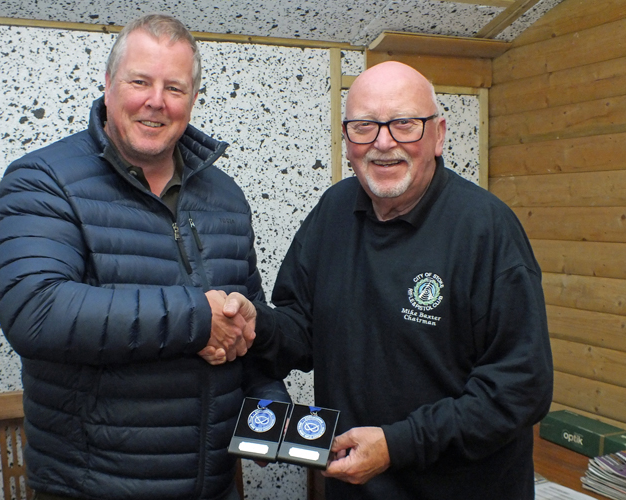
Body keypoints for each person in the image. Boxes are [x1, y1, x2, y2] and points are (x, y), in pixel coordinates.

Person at [215, 61, 554, 499]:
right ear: (347, 138)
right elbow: (302, 329)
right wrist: (254, 322)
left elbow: (521, 389)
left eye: (405, 124)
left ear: (439, 134)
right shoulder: (333, 211)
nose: (384, 142)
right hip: (352, 488)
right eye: (364, 126)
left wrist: (398, 445)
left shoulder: (487, 230)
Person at [0, 13, 288, 500]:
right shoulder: (42, 179)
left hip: (211, 486)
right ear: (108, 84)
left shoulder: (225, 196)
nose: (156, 101)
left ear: (192, 99)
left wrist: (269, 412)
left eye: (175, 87)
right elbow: (36, 311)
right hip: (91, 487)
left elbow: (242, 325)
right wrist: (198, 317)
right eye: (140, 81)